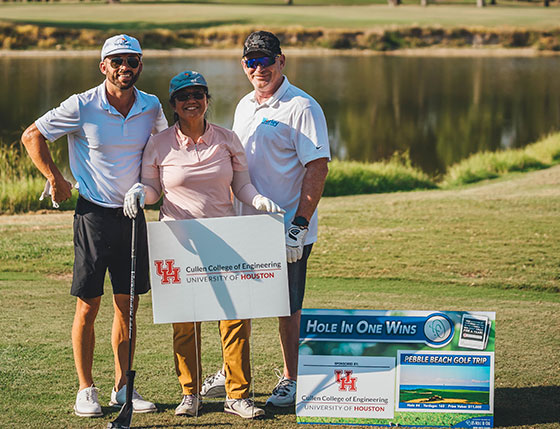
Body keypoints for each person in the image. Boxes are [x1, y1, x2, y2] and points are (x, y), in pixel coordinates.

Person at [123, 70, 283, 420]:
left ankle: (237, 395)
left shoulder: (226, 139)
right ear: (174, 105)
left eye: (198, 94)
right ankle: (190, 393)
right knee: (185, 322)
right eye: (183, 96)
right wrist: (139, 191)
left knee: (235, 319)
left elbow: (241, 186)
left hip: (226, 237)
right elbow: (153, 192)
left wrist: (258, 201)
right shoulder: (159, 143)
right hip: (179, 241)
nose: (191, 101)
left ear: (207, 99)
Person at [21, 34, 166, 418]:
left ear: (140, 65)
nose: (125, 68)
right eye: (116, 61)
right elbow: (32, 136)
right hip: (93, 214)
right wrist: (55, 178)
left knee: (128, 305)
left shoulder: (150, 106)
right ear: (103, 66)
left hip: (133, 214)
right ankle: (86, 389)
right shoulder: (82, 105)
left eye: (131, 61)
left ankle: (123, 388)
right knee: (89, 304)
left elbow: (164, 148)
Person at [202, 31, 330, 408]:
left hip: (288, 229)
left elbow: (318, 167)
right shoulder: (244, 105)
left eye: (266, 60)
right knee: (240, 304)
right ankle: (233, 371)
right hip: (245, 224)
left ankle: (292, 378)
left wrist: (300, 224)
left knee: (286, 307)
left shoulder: (302, 106)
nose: (259, 68)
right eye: (251, 62)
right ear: (244, 66)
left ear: (281, 61)